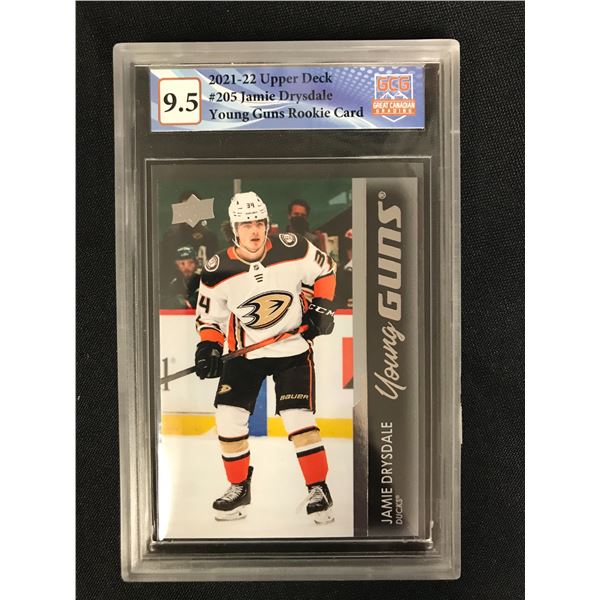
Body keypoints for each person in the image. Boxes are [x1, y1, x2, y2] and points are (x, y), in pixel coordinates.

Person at [194, 191, 337, 524]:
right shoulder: (216, 269)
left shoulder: (293, 247)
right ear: (234, 230)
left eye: (259, 222)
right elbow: (209, 319)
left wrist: (322, 306)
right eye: (246, 225)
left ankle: (318, 489)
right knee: (228, 416)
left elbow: (326, 270)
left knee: (298, 418)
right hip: (246, 353)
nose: (254, 230)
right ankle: (238, 487)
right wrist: (209, 347)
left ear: (267, 224)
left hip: (292, 348)